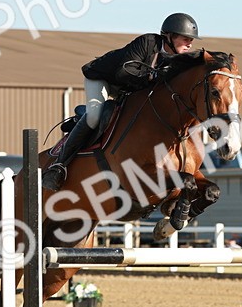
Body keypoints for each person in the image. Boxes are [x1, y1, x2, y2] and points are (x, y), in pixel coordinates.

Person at [44, 13, 199, 190]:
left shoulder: (178, 61)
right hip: (104, 80)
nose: (190, 44)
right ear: (169, 36)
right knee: (95, 116)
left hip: (128, 88)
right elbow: (123, 73)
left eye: (191, 40)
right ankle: (58, 166)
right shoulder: (148, 43)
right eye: (186, 39)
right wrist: (152, 75)